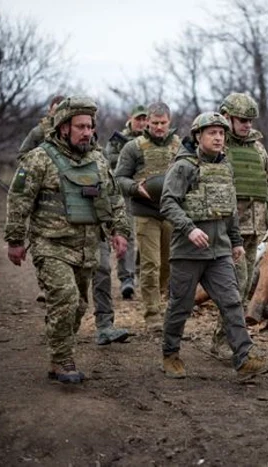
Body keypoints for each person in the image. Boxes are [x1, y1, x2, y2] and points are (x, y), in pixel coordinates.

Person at [4, 96, 130, 384]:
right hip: (51, 244)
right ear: (63, 128)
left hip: (86, 247)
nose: (87, 132)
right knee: (65, 298)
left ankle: (56, 354)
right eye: (81, 126)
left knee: (78, 307)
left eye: (90, 126)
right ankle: (63, 361)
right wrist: (15, 239)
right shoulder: (40, 158)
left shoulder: (97, 159)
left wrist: (119, 231)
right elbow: (19, 199)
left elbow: (113, 198)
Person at [160, 111, 268, 380]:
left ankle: (244, 357)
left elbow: (230, 210)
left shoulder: (225, 167)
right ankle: (170, 354)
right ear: (198, 136)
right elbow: (167, 203)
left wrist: (235, 241)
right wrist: (189, 229)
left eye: (221, 133)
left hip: (219, 251)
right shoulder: (184, 166)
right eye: (212, 132)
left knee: (232, 301)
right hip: (188, 252)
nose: (218, 137)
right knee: (181, 305)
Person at [211, 93, 268, 357]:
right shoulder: (216, 146)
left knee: (241, 288)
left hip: (254, 229)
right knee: (234, 286)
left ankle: (228, 339)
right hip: (225, 231)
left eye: (250, 121)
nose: (247, 125)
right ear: (227, 117)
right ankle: (226, 341)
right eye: (242, 120)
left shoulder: (257, 148)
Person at [115, 102, 180, 332]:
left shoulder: (178, 145)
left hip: (171, 213)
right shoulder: (134, 147)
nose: (159, 127)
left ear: (169, 122)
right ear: (148, 123)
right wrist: (134, 188)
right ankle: (152, 314)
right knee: (150, 263)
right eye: (155, 123)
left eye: (163, 123)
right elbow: (119, 178)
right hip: (145, 212)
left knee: (167, 265)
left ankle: (161, 299)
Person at [92, 104, 147, 345]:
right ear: (130, 119)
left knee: (129, 238)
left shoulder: (148, 141)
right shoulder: (115, 143)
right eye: (140, 119)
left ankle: (127, 279)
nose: (143, 123)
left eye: (146, 119)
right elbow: (110, 165)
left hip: (136, 194)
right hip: (111, 197)